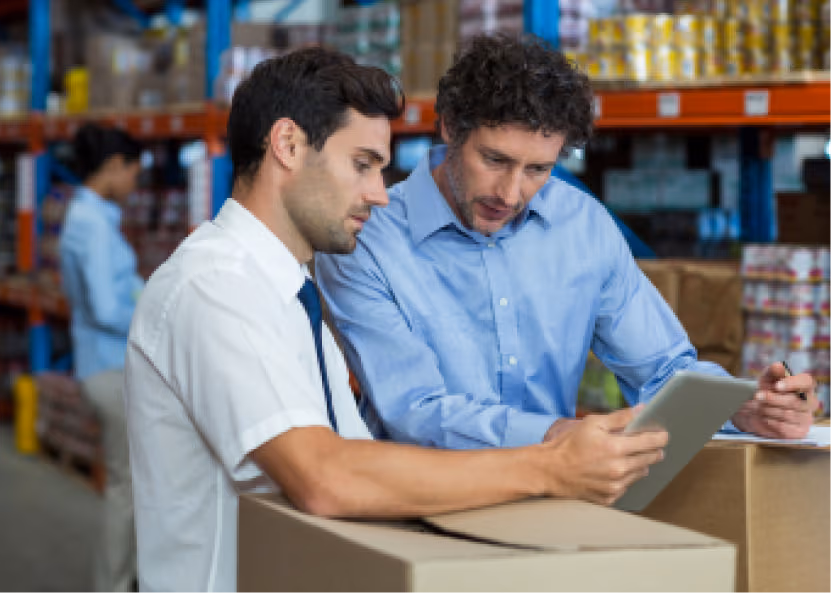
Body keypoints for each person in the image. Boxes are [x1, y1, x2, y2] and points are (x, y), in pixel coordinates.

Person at [123, 47, 669, 593]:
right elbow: (326, 477)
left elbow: (357, 460)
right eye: (362, 165)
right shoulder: (216, 286)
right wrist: (549, 466)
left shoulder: (286, 292)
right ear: (287, 145)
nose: (380, 194)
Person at [314, 34, 818, 451]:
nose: (511, 194)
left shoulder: (582, 225)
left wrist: (741, 406)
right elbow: (415, 411)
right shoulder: (366, 236)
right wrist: (562, 436)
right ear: (449, 129)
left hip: (557, 497)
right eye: (495, 160)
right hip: (415, 508)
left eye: (538, 169)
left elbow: (663, 369)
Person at [59, 123, 143, 593]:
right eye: (133, 171)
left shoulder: (95, 218)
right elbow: (106, 307)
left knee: (129, 485)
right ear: (112, 167)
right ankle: (113, 584)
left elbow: (120, 290)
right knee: (124, 488)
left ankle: (126, 577)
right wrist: (158, 320)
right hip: (107, 366)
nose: (135, 184)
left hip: (111, 363)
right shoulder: (89, 224)